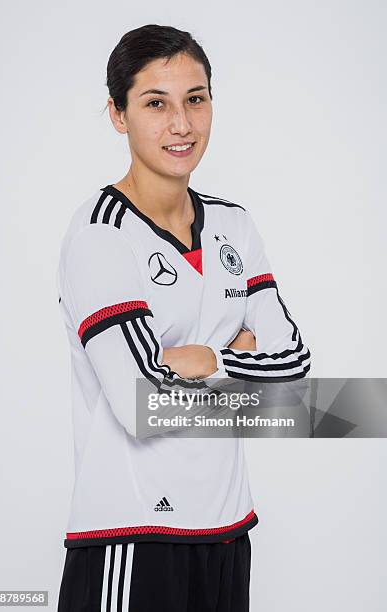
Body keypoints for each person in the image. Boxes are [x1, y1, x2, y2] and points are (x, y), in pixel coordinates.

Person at [56, 23, 311, 612]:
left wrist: (208, 360)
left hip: (227, 526)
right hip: (132, 534)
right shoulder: (100, 237)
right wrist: (244, 356)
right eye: (156, 103)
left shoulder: (234, 225)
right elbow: (142, 407)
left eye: (195, 99)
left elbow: (298, 380)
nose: (181, 124)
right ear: (118, 115)